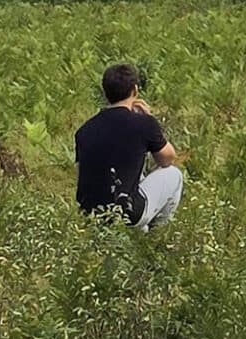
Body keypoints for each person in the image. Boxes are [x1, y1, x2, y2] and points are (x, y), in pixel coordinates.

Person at [74, 62, 185, 226]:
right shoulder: (143, 123)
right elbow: (167, 158)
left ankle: (135, 233)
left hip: (91, 214)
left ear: (105, 94)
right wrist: (149, 119)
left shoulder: (84, 130)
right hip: (127, 211)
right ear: (135, 90)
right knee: (174, 175)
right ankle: (155, 234)